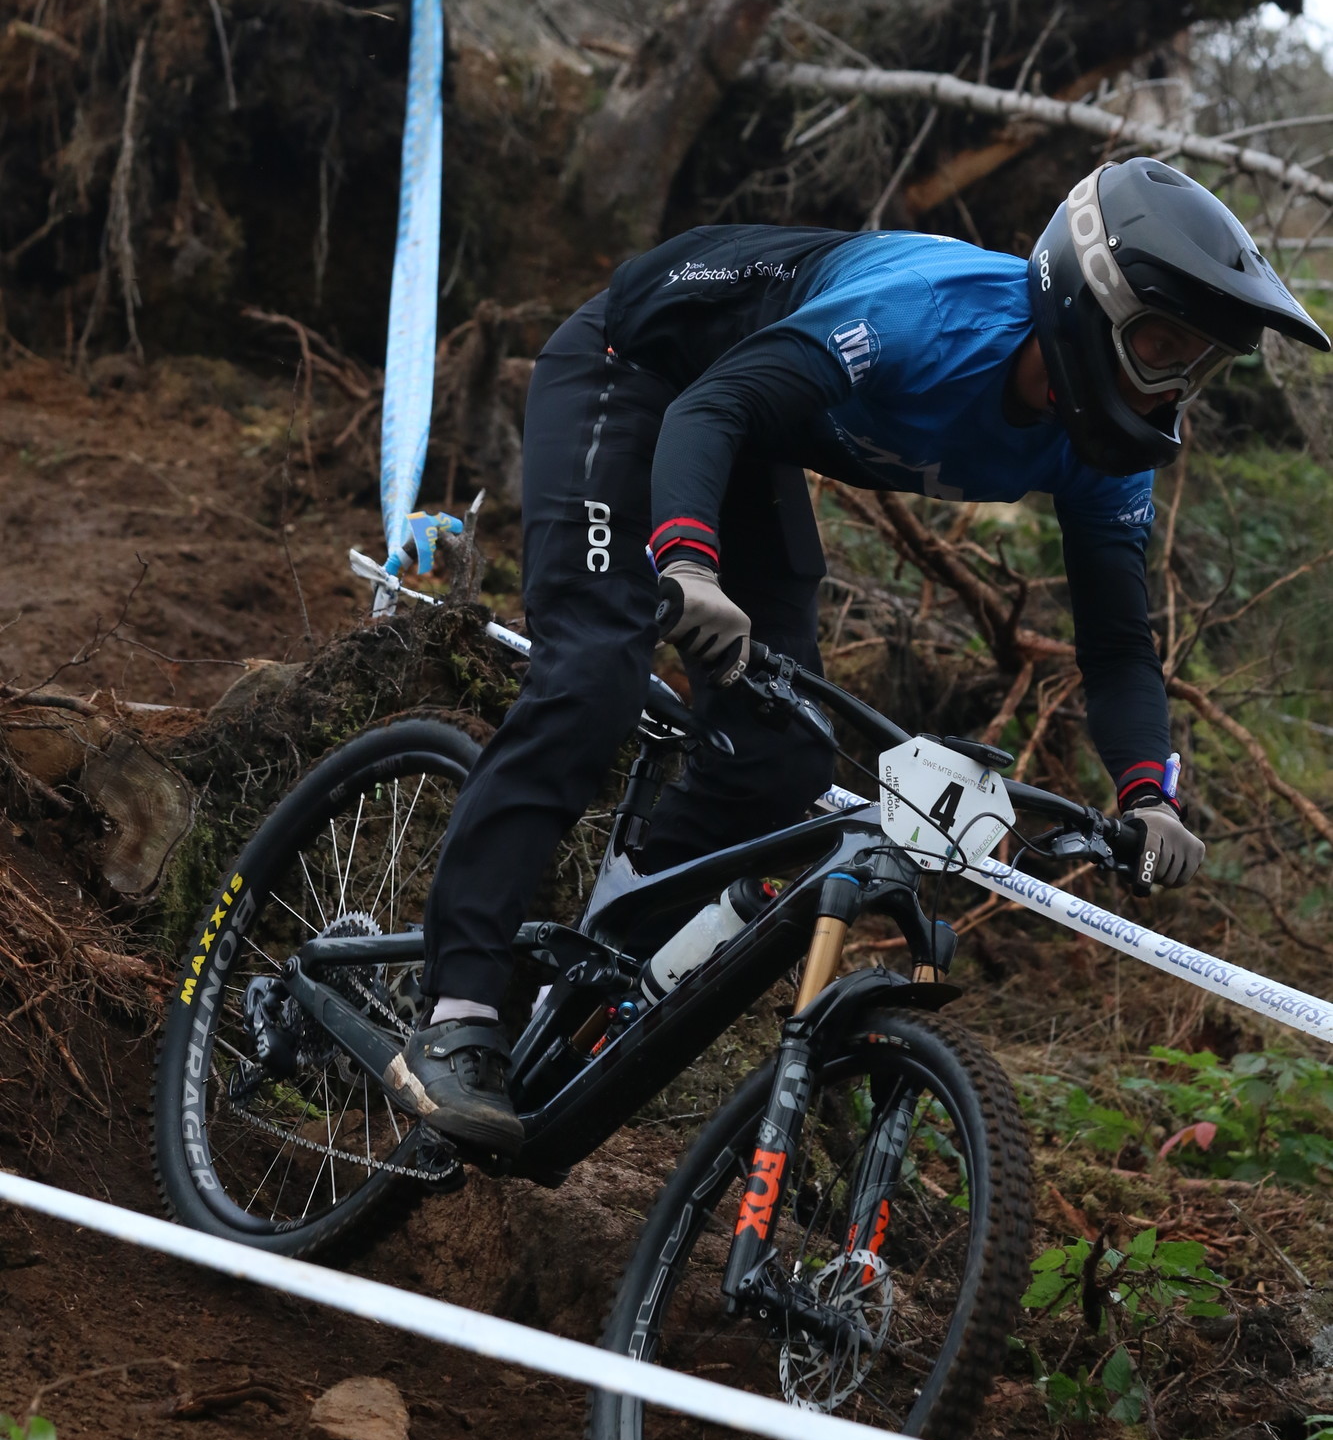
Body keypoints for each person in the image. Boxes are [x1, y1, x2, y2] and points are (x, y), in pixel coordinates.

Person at [383, 158, 1329, 1152]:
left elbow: (1118, 643)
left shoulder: (1100, 457)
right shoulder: (926, 318)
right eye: (1161, 346)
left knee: (782, 754)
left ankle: (589, 966)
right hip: (640, 370)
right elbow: (709, 409)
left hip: (749, 431)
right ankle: (456, 1009)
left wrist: (1147, 795)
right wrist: (690, 565)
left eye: (1196, 365)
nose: (1174, 385)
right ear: (1087, 303)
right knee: (593, 677)